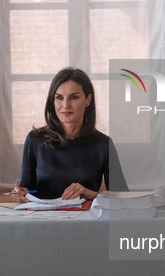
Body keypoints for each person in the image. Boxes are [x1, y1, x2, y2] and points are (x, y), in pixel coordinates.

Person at [10, 67, 128, 203]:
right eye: (59, 98)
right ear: (52, 101)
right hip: (43, 219)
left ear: (88, 100)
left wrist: (92, 195)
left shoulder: (103, 144)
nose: (65, 105)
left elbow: (123, 198)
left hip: (86, 219)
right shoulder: (35, 139)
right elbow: (27, 190)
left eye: (74, 97)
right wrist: (20, 194)